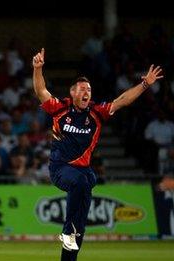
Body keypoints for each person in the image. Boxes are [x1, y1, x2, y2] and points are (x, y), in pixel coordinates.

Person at [32, 48, 163, 260]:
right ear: (72, 92)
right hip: (60, 169)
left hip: (83, 173)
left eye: (89, 90)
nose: (87, 93)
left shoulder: (96, 112)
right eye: (82, 89)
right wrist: (37, 69)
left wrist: (145, 83)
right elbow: (41, 91)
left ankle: (69, 251)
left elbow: (122, 100)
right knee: (83, 183)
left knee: (81, 221)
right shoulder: (60, 109)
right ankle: (67, 232)